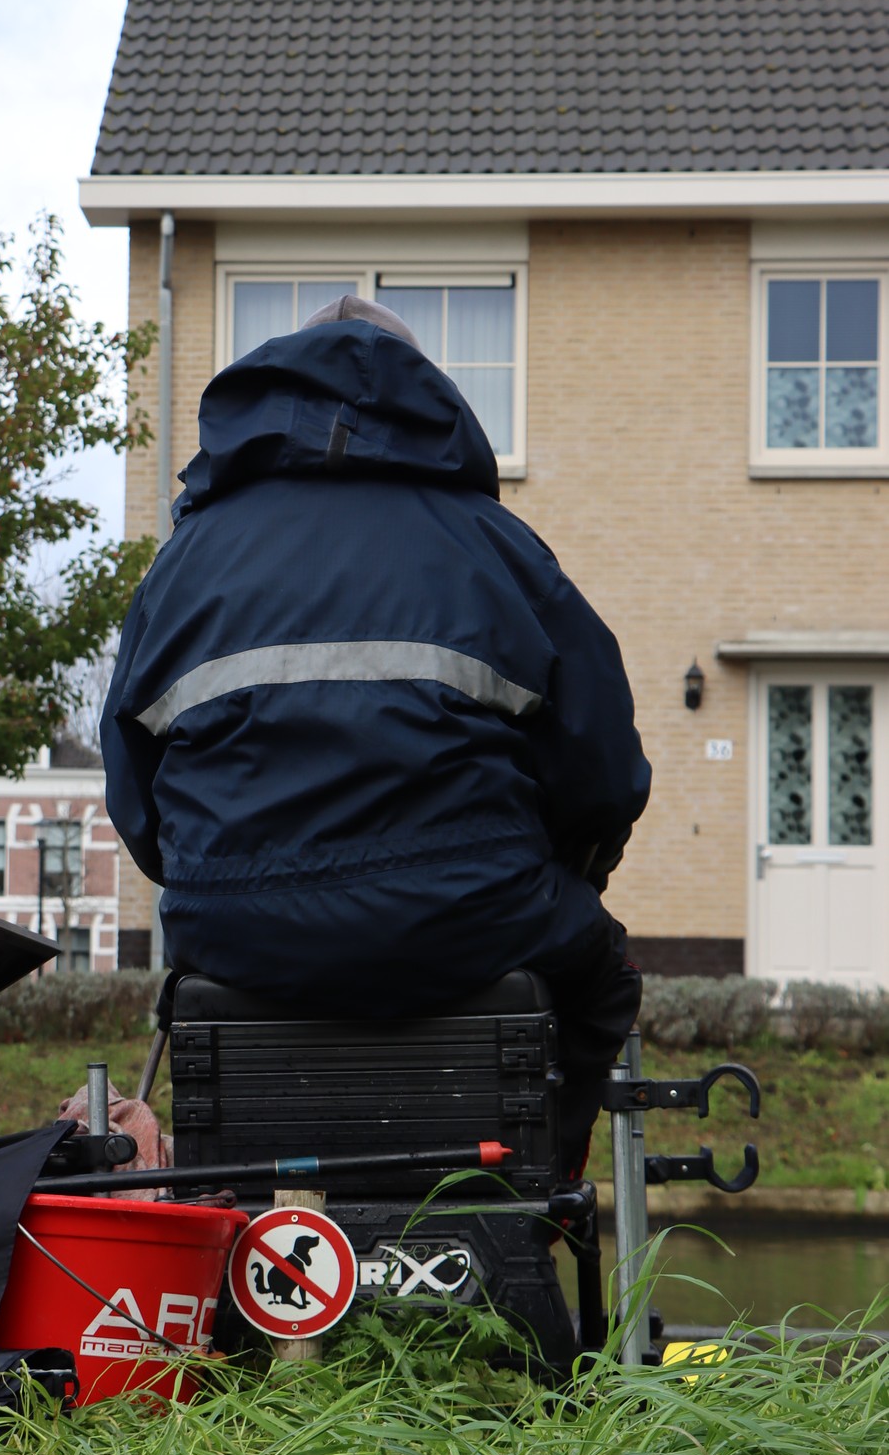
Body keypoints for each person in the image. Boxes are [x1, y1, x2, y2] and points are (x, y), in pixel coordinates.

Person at [101, 295, 651, 1171]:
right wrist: (562, 868)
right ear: (425, 399)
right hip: (472, 917)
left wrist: (238, 872)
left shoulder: (180, 567)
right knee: (600, 976)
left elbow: (136, 805)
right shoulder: (499, 549)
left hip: (239, 931)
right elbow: (604, 773)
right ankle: (539, 1215)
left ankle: (244, 1231)